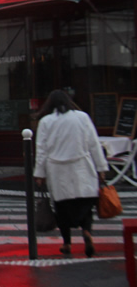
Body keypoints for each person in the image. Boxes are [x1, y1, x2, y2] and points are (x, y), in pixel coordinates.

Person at [33, 89, 107, 257]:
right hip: (82, 169)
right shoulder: (82, 117)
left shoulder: (46, 122)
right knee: (85, 207)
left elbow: (42, 150)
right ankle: (87, 232)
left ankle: (67, 243)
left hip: (58, 172)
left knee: (62, 210)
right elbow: (94, 144)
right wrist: (101, 168)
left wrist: (39, 173)